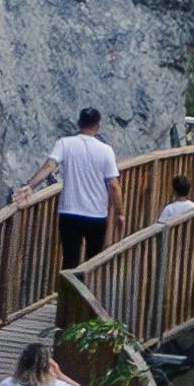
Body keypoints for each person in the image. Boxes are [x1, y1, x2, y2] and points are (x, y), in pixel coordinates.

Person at [32, 105, 121, 267]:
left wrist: (29, 186)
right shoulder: (106, 150)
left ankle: (68, 291)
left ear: (78, 123)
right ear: (98, 126)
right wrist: (119, 213)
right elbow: (114, 185)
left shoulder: (64, 144)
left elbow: (49, 166)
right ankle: (87, 290)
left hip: (69, 212)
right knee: (93, 262)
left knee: (69, 260)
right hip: (96, 214)